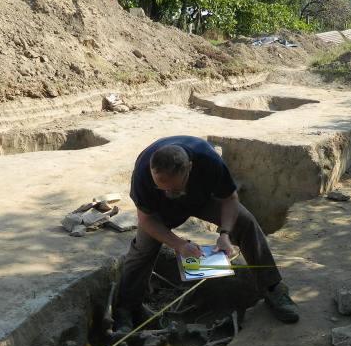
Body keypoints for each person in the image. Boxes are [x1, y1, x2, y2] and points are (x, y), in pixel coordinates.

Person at [112, 135, 299, 334]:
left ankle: (273, 287)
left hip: (201, 199)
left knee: (245, 222)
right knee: (143, 248)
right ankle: (127, 308)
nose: (168, 192)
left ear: (190, 168)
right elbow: (147, 220)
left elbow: (230, 198)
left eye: (173, 188)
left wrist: (225, 234)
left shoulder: (208, 160)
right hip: (159, 211)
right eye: (161, 187)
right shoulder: (143, 173)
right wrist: (180, 245)